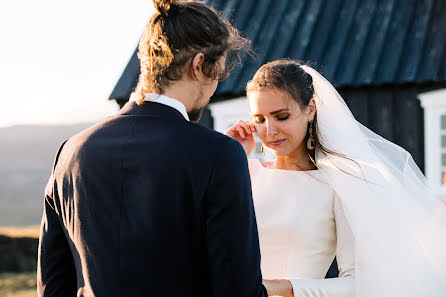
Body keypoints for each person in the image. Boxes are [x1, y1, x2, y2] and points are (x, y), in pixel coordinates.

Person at [37, 1, 268, 297]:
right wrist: (222, 159)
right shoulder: (219, 155)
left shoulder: (70, 153)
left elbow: (54, 286)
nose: (214, 89)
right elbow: (239, 291)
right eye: (219, 73)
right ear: (199, 65)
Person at [226, 59, 446, 297]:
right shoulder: (245, 171)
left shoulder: (338, 182)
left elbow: (356, 283)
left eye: (281, 116)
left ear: (310, 109)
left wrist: (280, 286)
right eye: (259, 119)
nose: (269, 131)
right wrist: (229, 157)